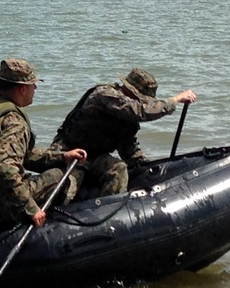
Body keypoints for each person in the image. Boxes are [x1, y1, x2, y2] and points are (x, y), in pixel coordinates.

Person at [0, 59, 86, 229]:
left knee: (53, 168)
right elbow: (5, 170)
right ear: (23, 88)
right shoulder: (14, 122)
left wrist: (62, 157)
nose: (35, 89)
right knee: (58, 176)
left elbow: (21, 154)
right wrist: (29, 209)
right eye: (33, 85)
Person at [50, 68, 198, 195]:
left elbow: (129, 149)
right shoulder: (105, 95)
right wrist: (176, 99)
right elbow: (140, 111)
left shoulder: (127, 118)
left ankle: (110, 212)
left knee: (118, 168)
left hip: (94, 157)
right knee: (68, 187)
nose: (142, 102)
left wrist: (149, 170)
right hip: (68, 152)